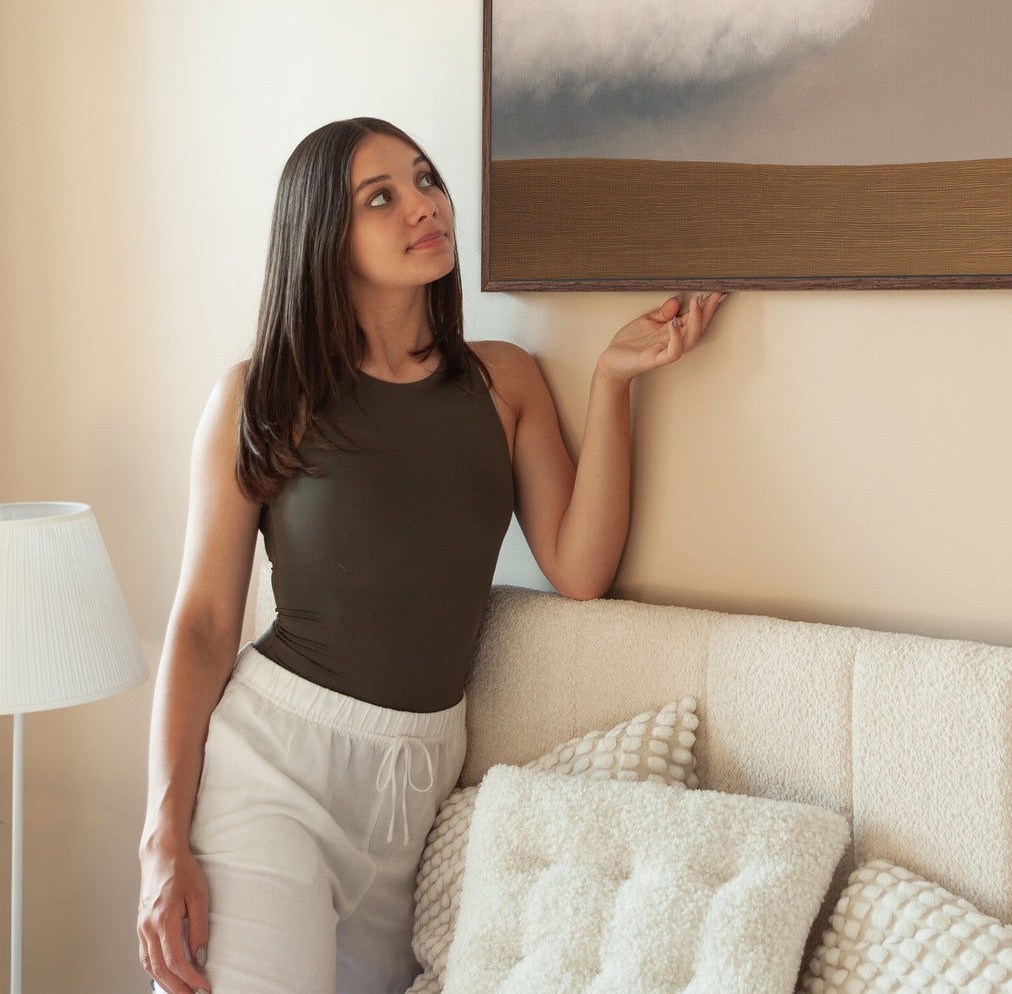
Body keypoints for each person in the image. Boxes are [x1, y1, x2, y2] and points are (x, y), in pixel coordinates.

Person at [136, 117, 726, 994]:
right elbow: (204, 624)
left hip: (418, 782)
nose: (424, 205)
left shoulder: (502, 381)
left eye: (424, 179)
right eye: (382, 197)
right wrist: (162, 838)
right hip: (273, 771)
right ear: (324, 238)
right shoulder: (263, 395)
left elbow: (578, 568)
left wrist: (611, 383)